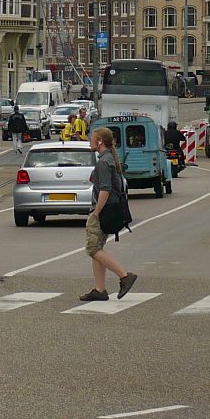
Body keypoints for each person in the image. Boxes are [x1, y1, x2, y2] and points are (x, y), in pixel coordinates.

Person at [80, 126, 137, 302]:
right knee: (97, 248)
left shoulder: (104, 162)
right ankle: (100, 289)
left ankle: (124, 276)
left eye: (92, 138)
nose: (89, 141)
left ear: (99, 142)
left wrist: (96, 212)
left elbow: (104, 190)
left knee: (92, 248)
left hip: (102, 210)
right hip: (109, 210)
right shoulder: (109, 159)